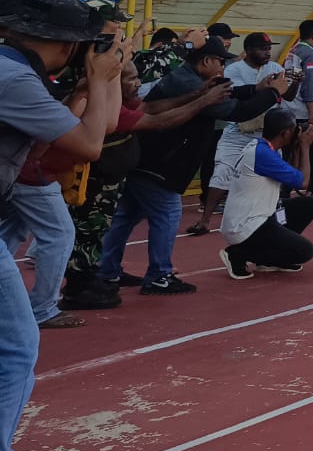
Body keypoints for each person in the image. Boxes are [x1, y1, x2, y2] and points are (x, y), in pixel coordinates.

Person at [0, 0, 125, 451]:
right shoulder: (14, 80)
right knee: (14, 350)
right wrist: (98, 75)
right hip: (26, 190)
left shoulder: (12, 70)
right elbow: (91, 143)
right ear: (64, 44)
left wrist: (104, 78)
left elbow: (105, 124)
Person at [100, 36, 285, 295]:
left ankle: (107, 270)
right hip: (160, 162)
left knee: (127, 215)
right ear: (206, 60)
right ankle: (158, 275)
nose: (223, 67)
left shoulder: (190, 79)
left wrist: (258, 90)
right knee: (167, 214)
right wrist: (275, 93)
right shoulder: (185, 81)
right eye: (220, 61)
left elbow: (227, 94)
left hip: (147, 158)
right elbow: (233, 111)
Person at [56, 60, 230, 311]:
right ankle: (78, 290)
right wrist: (204, 101)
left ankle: (104, 273)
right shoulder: (106, 108)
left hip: (115, 180)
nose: (138, 83)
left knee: (115, 223)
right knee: (79, 236)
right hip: (95, 184)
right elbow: (159, 120)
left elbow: (151, 107)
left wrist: (199, 93)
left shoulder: (121, 102)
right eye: (130, 79)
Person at [191, 32, 293, 234]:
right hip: (237, 131)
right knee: (221, 173)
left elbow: (288, 95)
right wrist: (265, 89)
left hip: (266, 134)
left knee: (275, 179)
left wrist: (295, 81)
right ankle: (205, 220)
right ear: (248, 51)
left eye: (268, 49)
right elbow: (239, 99)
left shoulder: (275, 68)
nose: (267, 52)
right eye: (262, 49)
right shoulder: (234, 69)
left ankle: (275, 222)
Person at [219, 108, 313, 279]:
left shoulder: (265, 147)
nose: (297, 131)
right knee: (305, 251)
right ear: (285, 132)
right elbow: (303, 183)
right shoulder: (263, 154)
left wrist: (296, 149)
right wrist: (305, 147)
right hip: (246, 225)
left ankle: (267, 258)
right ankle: (238, 254)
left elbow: (293, 177)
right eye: (294, 128)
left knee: (309, 204)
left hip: (261, 214)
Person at [286, 19, 313, 200]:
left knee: (297, 152)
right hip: (308, 111)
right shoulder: (310, 55)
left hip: (293, 109)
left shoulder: (294, 51)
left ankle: (296, 187)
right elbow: (309, 85)